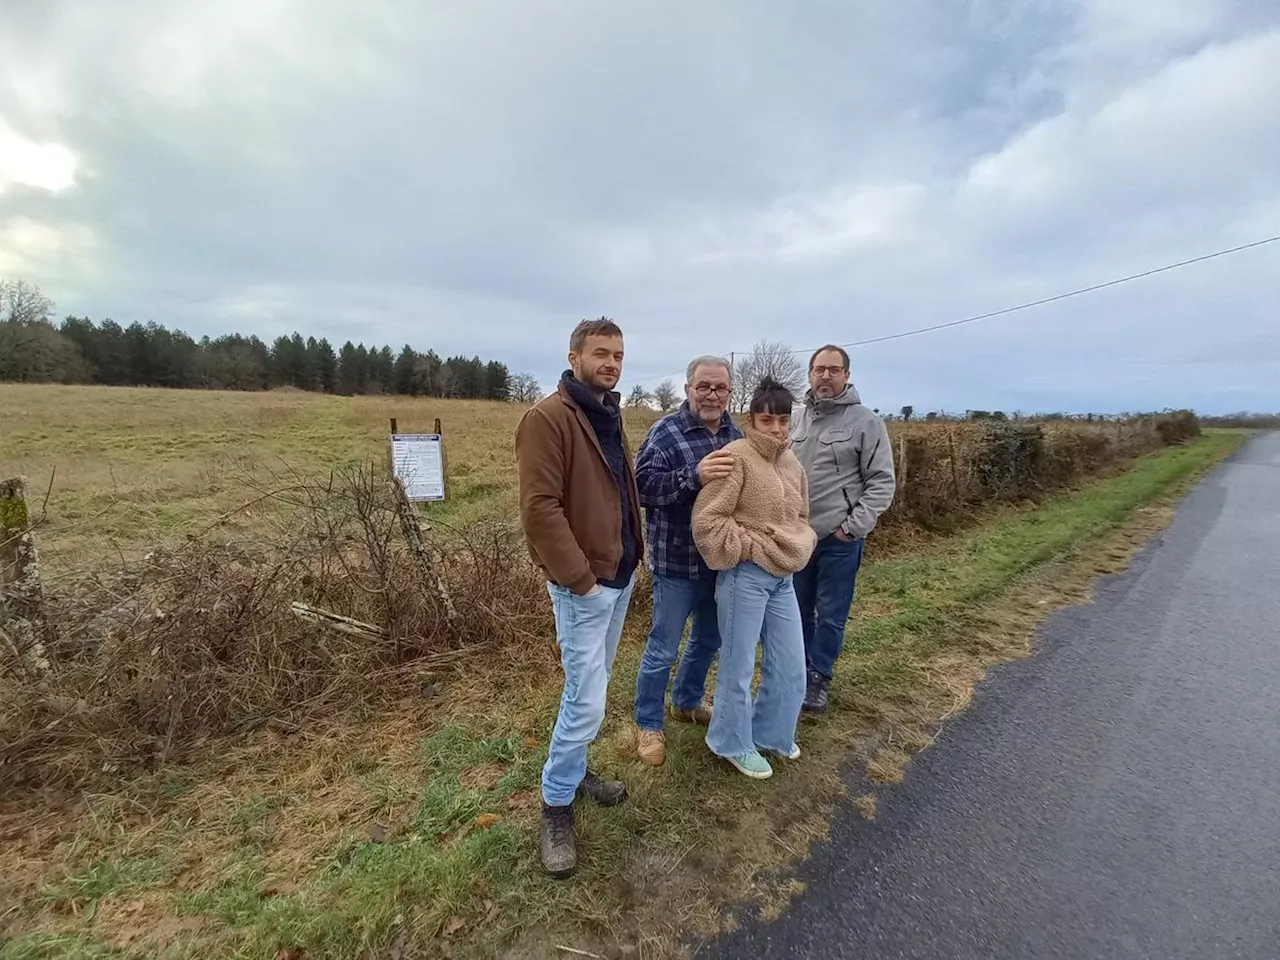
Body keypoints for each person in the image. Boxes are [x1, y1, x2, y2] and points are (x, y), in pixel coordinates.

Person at [515, 317, 644, 879]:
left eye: (618, 353)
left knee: (594, 686)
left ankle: (578, 770)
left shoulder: (608, 412)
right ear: (573, 357)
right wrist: (581, 582)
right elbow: (540, 509)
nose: (611, 361)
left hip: (620, 579)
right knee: (585, 698)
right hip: (585, 585)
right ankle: (555, 806)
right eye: (600, 352)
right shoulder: (548, 418)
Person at [691, 377, 816, 780]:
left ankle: (769, 732)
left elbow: (800, 517)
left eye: (783, 420)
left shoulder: (792, 462)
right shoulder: (736, 456)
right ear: (752, 420)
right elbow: (708, 520)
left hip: (783, 578)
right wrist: (748, 547)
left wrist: (799, 541)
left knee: (792, 665)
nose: (777, 429)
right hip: (744, 577)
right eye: (767, 420)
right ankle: (731, 742)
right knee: (737, 666)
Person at [632, 356, 742, 766]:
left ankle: (687, 701)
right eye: (704, 386)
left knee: (708, 640)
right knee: (663, 648)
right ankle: (648, 724)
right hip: (677, 562)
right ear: (688, 389)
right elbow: (641, 487)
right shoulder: (665, 432)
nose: (712, 395)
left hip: (722, 564)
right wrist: (692, 476)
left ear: (730, 392)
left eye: (720, 388)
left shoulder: (736, 434)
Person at [790, 345, 896, 714]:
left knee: (831, 612)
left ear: (846, 376)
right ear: (809, 374)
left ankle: (819, 676)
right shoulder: (795, 419)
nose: (825, 376)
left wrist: (853, 528)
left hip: (839, 538)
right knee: (797, 610)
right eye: (819, 369)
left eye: (834, 370)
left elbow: (882, 481)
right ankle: (797, 672)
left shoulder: (866, 422)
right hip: (798, 538)